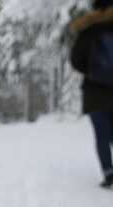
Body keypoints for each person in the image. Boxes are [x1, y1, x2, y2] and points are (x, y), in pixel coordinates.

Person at [70, 0, 113, 188]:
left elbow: (75, 60)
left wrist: (91, 71)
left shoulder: (88, 29)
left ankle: (109, 173)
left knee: (101, 135)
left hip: (94, 91)